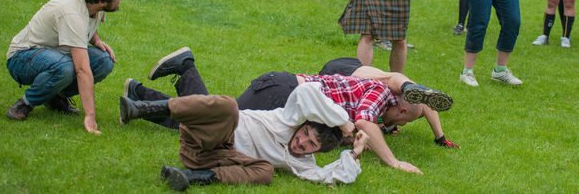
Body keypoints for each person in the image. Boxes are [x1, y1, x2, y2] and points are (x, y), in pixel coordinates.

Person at [121, 49, 438, 179]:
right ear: (403, 105)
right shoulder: (380, 92)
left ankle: (140, 94)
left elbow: (331, 172)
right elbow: (361, 120)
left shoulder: (302, 160)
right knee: (218, 114)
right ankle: (177, 73)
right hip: (282, 90)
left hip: (286, 95)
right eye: (406, 119)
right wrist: (388, 158)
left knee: (209, 121)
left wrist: (353, 157)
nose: (400, 124)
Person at [5, 0, 128, 133]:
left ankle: (56, 97)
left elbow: (87, 22)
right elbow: (82, 70)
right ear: (102, 0)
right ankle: (25, 104)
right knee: (65, 68)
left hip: (55, 55)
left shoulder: (91, 0)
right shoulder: (72, 12)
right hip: (22, 58)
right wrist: (90, 116)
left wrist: (96, 40)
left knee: (104, 60)